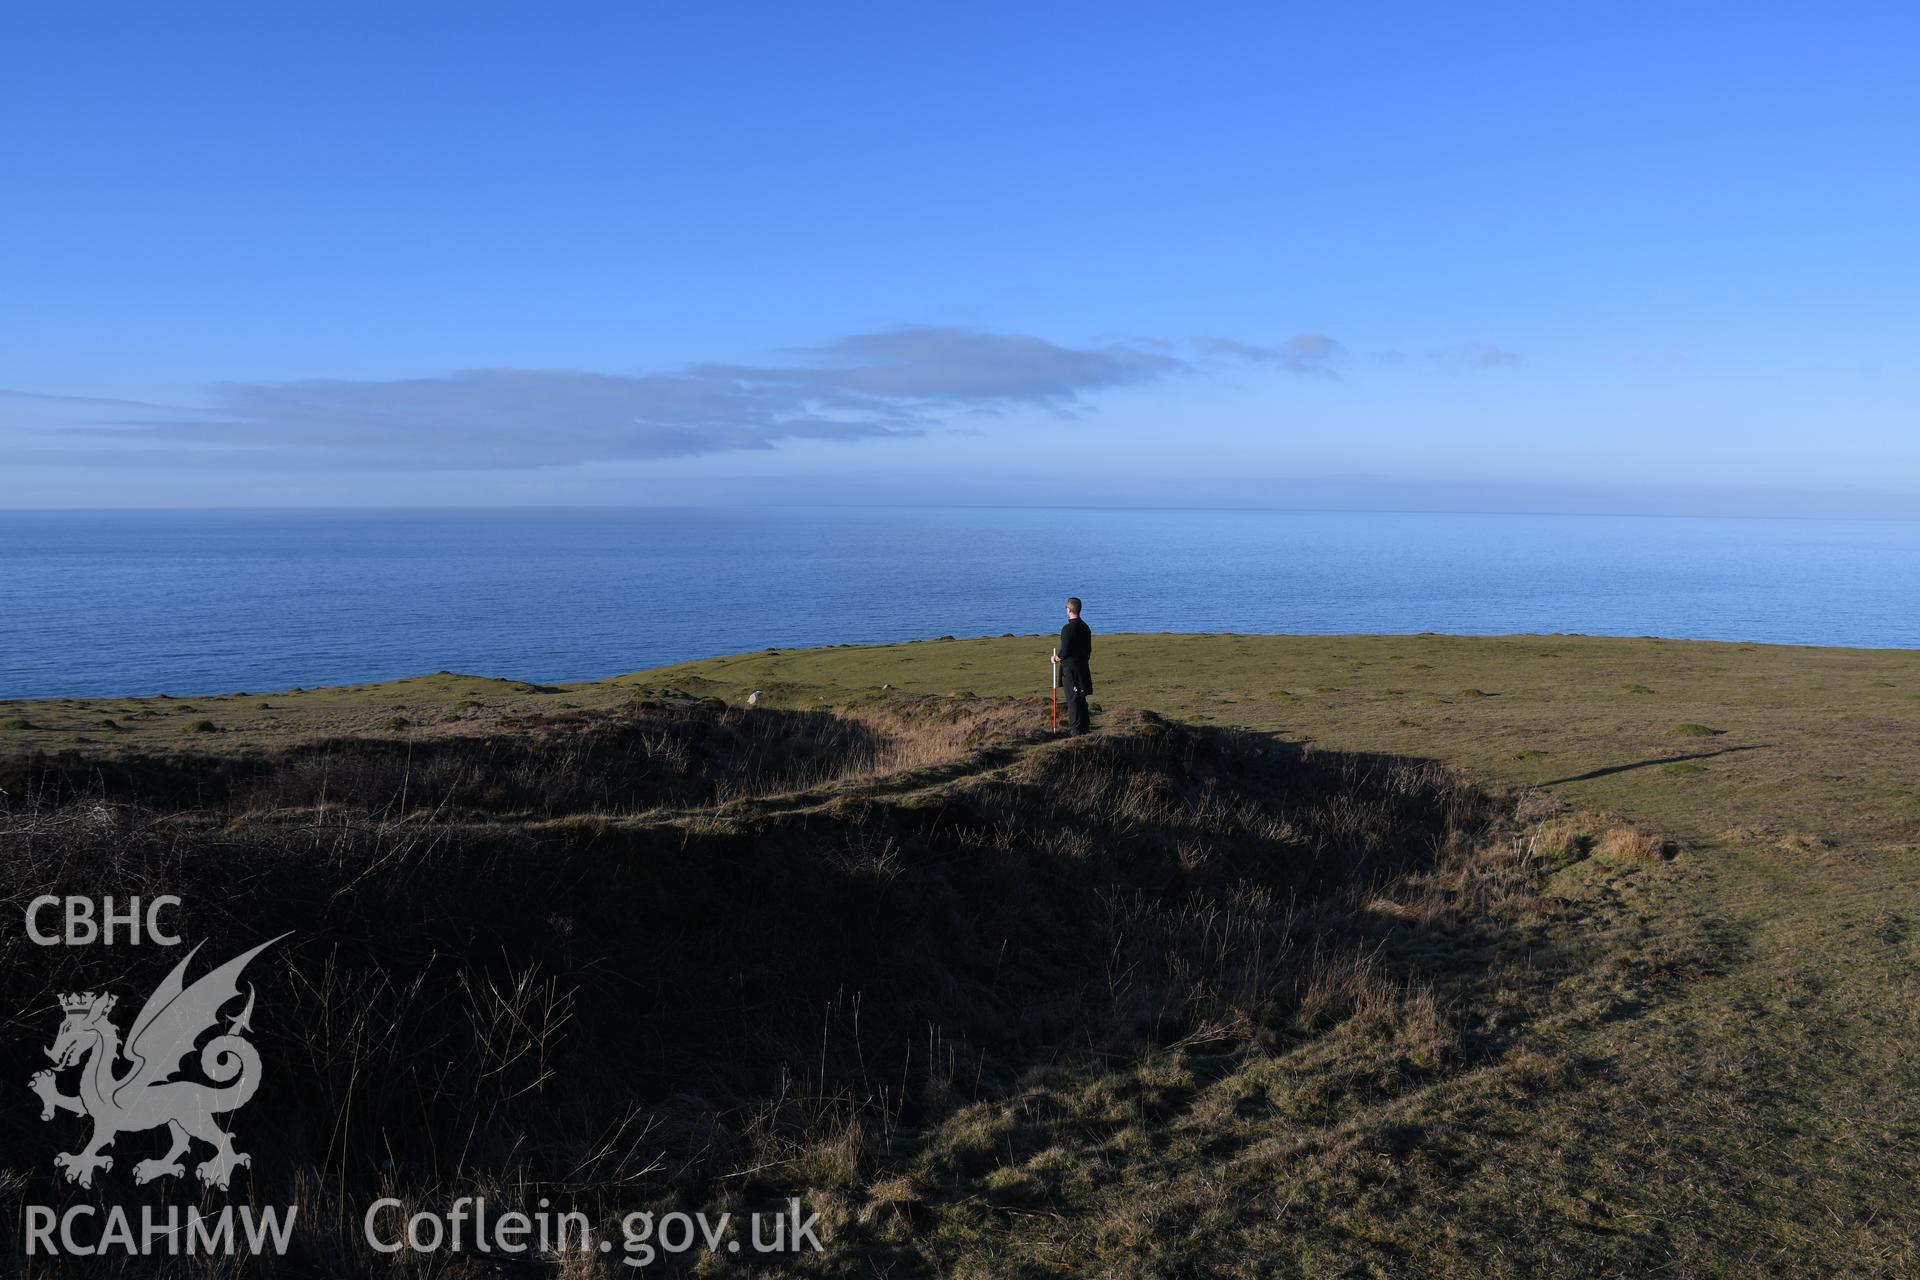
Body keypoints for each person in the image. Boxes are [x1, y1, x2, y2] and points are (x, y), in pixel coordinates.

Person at [1052, 596, 1093, 735]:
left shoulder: (1068, 628)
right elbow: (1088, 651)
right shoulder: (1086, 627)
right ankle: (1085, 729)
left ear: (1069, 609)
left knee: (1073, 700)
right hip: (1083, 667)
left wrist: (1055, 658)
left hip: (1071, 670)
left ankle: (1076, 731)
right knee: (1081, 699)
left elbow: (1065, 651)